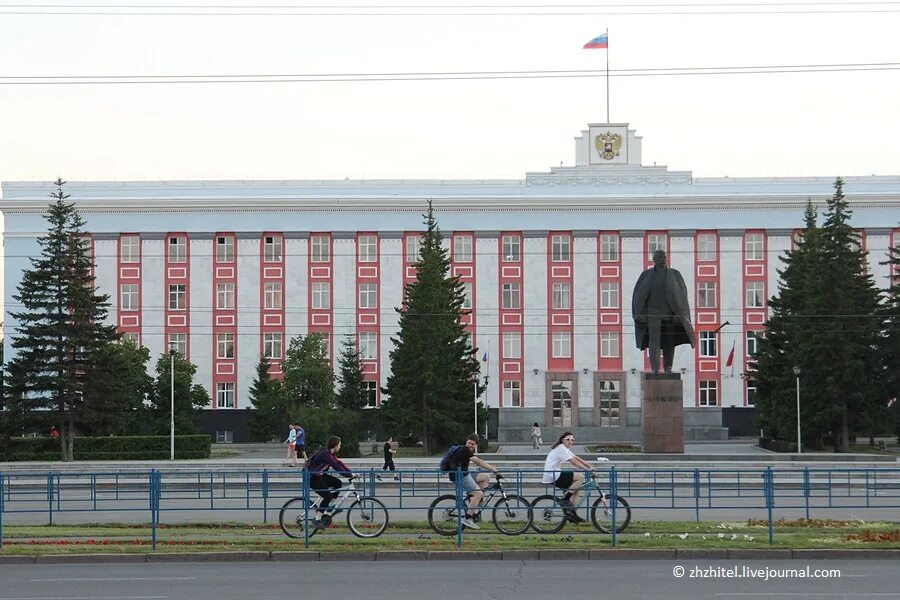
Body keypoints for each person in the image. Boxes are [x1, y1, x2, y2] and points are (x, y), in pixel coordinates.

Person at [631, 249, 696, 373]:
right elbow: (638, 295)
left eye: (664, 257)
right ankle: (655, 368)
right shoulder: (646, 275)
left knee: (669, 342)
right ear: (654, 260)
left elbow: (682, 295)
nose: (663, 260)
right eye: (660, 258)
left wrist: (680, 314)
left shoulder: (675, 274)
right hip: (653, 313)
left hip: (670, 314)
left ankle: (668, 367)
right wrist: (639, 313)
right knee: (654, 341)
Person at [444, 433, 502, 530]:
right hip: (459, 476)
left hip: (464, 473)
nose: (470, 445)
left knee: (485, 477)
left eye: (472, 444)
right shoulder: (465, 449)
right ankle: (468, 518)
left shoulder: (467, 450)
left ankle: (476, 502)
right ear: (466, 442)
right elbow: (478, 462)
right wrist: (494, 470)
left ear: (476, 445)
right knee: (478, 494)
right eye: (469, 443)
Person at [542, 431, 595, 523]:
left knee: (576, 490)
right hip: (553, 475)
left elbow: (576, 458)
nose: (570, 441)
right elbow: (573, 461)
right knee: (580, 477)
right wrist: (587, 470)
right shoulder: (561, 448)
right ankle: (565, 499)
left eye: (572, 440)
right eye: (568, 439)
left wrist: (590, 466)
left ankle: (572, 514)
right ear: (563, 440)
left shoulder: (564, 448)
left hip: (554, 474)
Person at [306, 436, 354, 523]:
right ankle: (317, 519)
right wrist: (349, 475)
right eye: (339, 445)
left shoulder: (331, 454)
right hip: (312, 477)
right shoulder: (325, 454)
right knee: (327, 496)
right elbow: (336, 466)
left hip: (319, 476)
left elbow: (339, 463)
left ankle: (330, 507)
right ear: (335, 445)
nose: (340, 447)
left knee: (337, 483)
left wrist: (350, 473)